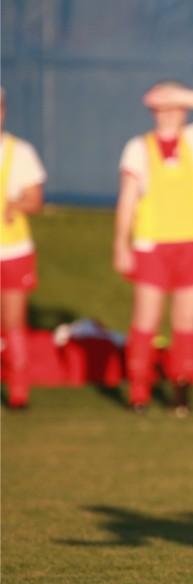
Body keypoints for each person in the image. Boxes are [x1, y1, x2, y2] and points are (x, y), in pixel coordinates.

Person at [114, 82, 193, 415]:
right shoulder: (138, 148)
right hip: (151, 244)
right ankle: (139, 390)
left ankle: (181, 390)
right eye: (163, 105)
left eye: (176, 105)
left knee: (186, 323)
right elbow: (127, 199)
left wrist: (179, 94)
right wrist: (120, 244)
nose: (170, 111)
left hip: (192, 242)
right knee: (146, 321)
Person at [0, 87, 47, 409]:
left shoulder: (21, 152)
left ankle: (19, 389)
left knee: (13, 322)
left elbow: (35, 200)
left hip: (12, 251)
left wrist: (15, 203)